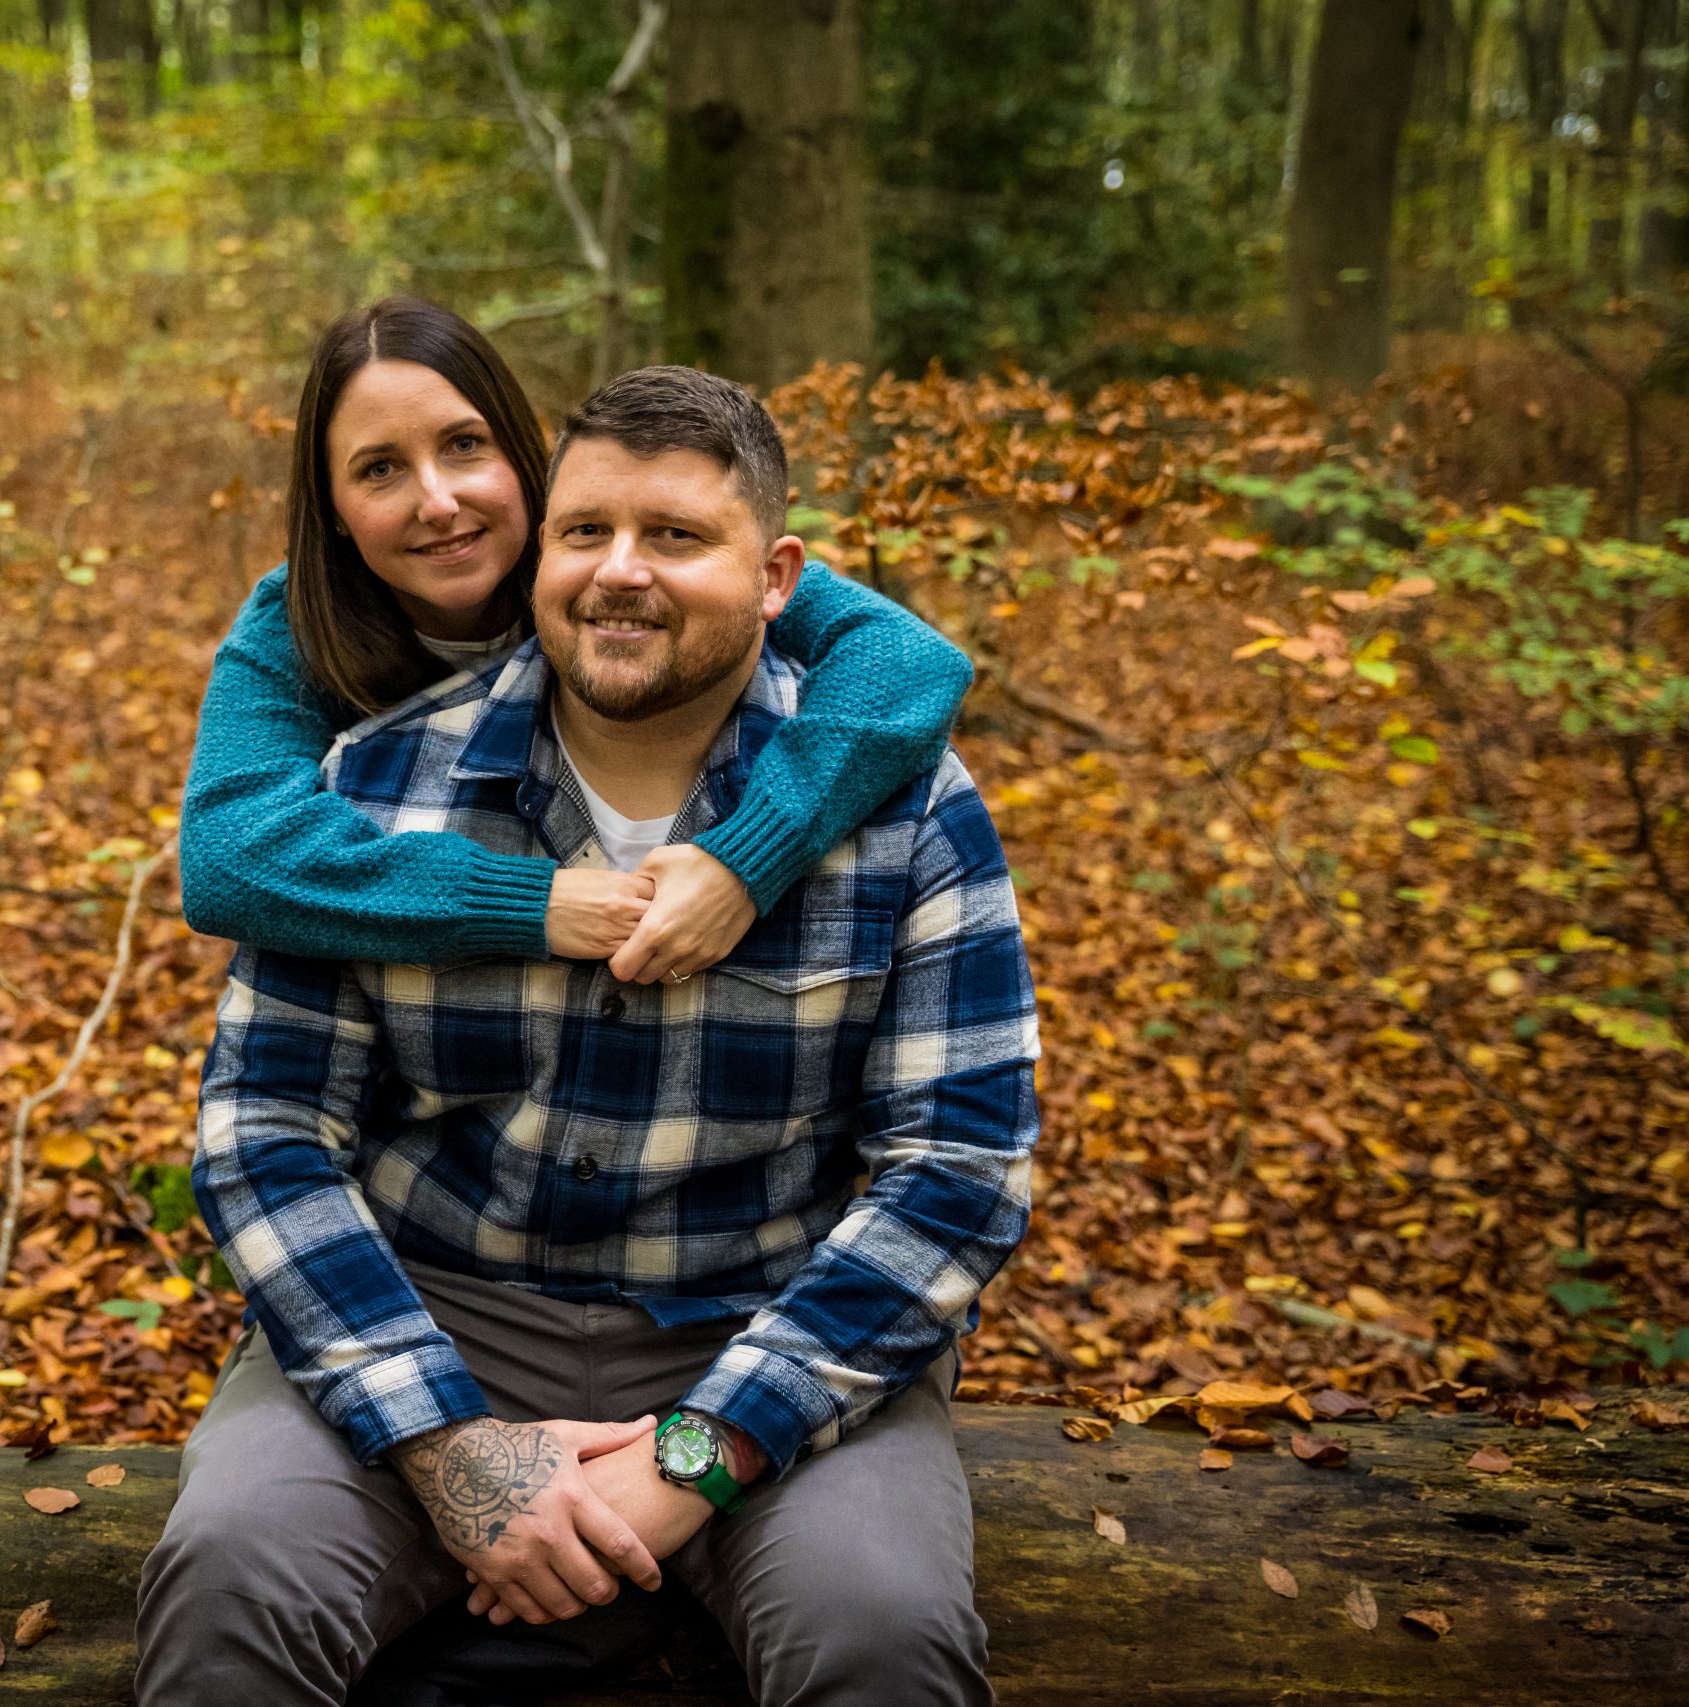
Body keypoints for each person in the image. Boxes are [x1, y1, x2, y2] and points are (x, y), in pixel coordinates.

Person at [136, 363, 1041, 1707]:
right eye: (587, 532)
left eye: (674, 535)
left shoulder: (902, 808)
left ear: (778, 576)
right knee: (234, 1575)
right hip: (430, 1304)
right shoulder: (371, 788)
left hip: (764, 1314)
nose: (621, 571)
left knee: (878, 1623)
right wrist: (447, 1443)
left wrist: (702, 1452)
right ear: (538, 556)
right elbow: (263, 1132)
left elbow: (958, 1168)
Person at [176, 294, 975, 992]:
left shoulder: (609, 565)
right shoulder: (294, 624)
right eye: (380, 468)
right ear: (335, 510)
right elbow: (225, 859)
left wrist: (745, 858)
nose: (438, 500)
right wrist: (531, 902)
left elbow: (909, 661)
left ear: (523, 456)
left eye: (464, 445)